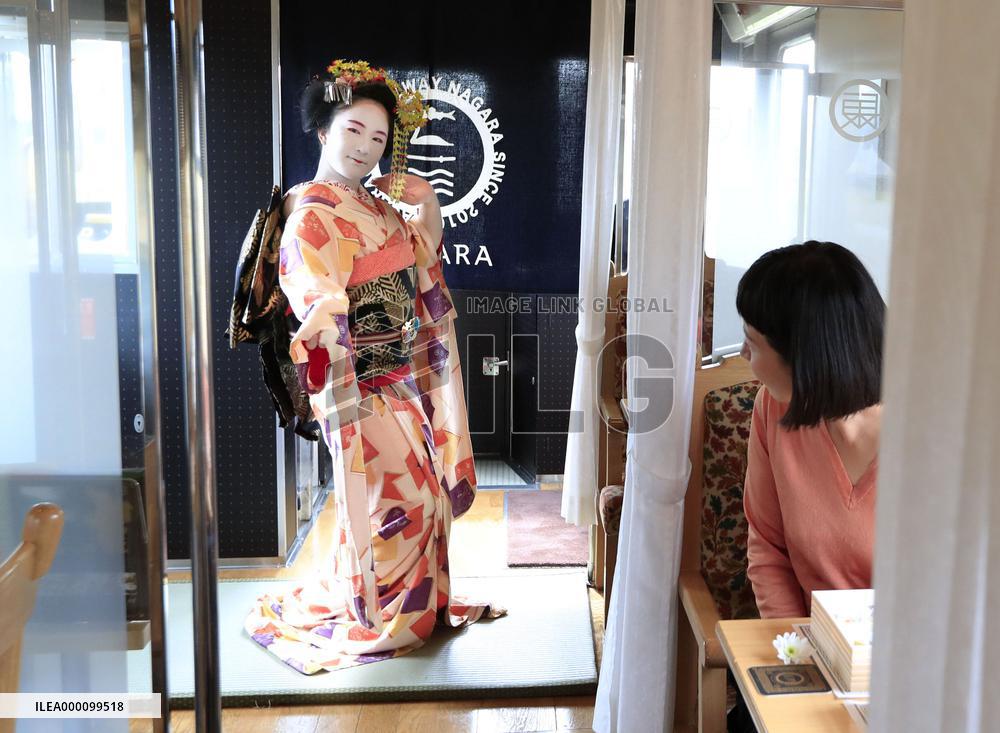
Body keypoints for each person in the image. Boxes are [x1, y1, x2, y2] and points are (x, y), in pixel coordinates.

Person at [244, 60, 502, 674]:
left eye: (378, 139)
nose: (364, 148)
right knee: (404, 497)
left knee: (428, 494)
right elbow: (308, 285)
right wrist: (325, 305)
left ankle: (397, 599)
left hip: (398, 379)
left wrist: (429, 207)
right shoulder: (308, 214)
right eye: (353, 131)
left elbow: (422, 269)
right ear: (322, 131)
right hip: (349, 379)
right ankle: (378, 609)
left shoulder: (382, 210)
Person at [737, 241, 885, 619]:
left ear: (805, 360)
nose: (742, 354)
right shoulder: (772, 409)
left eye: (752, 343)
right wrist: (793, 655)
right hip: (813, 653)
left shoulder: (939, 436)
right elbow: (768, 547)